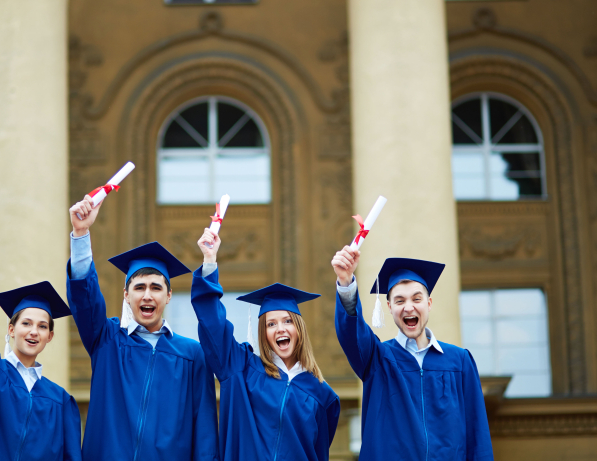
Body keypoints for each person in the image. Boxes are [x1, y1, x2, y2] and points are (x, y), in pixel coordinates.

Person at [65, 195, 219, 461]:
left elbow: (204, 430)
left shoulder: (192, 355)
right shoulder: (107, 340)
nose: (147, 295)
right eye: (139, 287)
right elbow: (84, 299)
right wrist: (81, 234)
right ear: (126, 295)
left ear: (168, 296)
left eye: (156, 288)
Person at [192, 228, 340, 461]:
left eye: (287, 321)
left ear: (298, 329)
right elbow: (213, 325)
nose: (280, 328)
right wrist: (209, 262)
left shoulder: (323, 396)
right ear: (264, 333)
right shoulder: (241, 369)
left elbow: (318, 453)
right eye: (271, 324)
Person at [331, 250, 494, 461]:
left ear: (429, 303)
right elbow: (352, 334)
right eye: (399, 301)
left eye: (417, 298)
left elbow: (477, 432)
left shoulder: (459, 361)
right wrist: (346, 282)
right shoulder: (378, 359)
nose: (409, 307)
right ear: (389, 307)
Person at [0, 215, 82, 461]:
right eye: (26, 323)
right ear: (11, 329)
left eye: (42, 326)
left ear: (49, 336)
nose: (34, 331)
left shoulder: (61, 401)